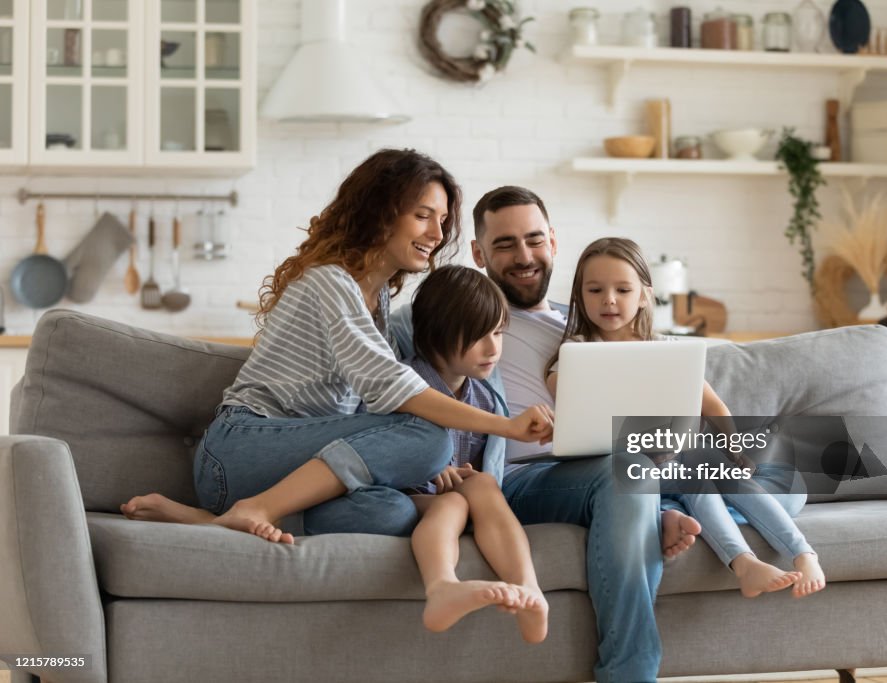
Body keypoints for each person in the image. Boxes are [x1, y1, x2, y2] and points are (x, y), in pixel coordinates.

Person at [120, 149, 553, 546]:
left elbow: (377, 407)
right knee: (431, 439)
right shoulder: (331, 282)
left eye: (441, 220)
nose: (437, 234)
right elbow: (397, 389)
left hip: (296, 467)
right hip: (242, 450)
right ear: (381, 214)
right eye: (424, 215)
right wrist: (509, 427)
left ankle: (211, 521)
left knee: (393, 512)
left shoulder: (378, 299)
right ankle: (255, 509)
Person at [391, 187, 700, 683]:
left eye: (535, 240)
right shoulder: (457, 316)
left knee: (761, 476)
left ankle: (665, 509)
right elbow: (385, 367)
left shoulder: (586, 320)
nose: (524, 256)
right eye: (506, 244)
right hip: (513, 479)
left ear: (553, 241)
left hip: (597, 464)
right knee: (629, 474)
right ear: (478, 253)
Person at [544, 236, 826, 600]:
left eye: (622, 289)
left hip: (675, 462)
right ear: (580, 296)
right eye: (595, 290)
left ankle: (801, 555)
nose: (609, 299)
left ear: (644, 294)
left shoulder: (666, 349)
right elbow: (564, 398)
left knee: (713, 474)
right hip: (620, 471)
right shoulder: (578, 353)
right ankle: (743, 561)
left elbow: (714, 407)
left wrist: (734, 449)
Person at [403, 265, 548, 642]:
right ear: (437, 335)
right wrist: (430, 469)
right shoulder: (405, 385)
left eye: (498, 332)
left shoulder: (484, 396)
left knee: (482, 486)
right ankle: (443, 586)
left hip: (463, 497)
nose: (493, 347)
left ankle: (530, 590)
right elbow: (381, 452)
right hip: (408, 495)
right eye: (478, 336)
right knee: (454, 505)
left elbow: (483, 469)